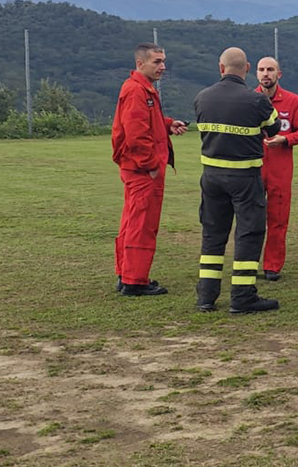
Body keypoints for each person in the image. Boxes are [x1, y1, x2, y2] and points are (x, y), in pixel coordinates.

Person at [193, 47, 282, 315]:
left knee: (213, 233)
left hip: (211, 177)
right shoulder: (255, 101)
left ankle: (206, 295)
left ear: (221, 68)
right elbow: (274, 128)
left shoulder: (202, 98)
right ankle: (243, 296)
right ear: (247, 69)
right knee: (249, 232)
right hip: (245, 177)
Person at [111, 43, 188, 296]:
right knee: (142, 224)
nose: (162, 66)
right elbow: (135, 134)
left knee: (132, 220)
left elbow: (146, 122)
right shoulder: (136, 91)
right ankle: (135, 280)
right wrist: (152, 166)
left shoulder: (143, 89)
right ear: (140, 63)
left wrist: (167, 124)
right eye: (157, 61)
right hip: (142, 171)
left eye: (163, 61)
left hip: (138, 169)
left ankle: (126, 274)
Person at [255, 56, 298, 281]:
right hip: (254, 168)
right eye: (261, 70)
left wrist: (285, 139)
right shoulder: (248, 100)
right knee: (251, 219)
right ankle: (248, 262)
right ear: (256, 74)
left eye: (270, 70)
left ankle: (272, 266)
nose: (265, 74)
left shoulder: (293, 101)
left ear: (279, 74)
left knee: (278, 218)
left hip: (280, 170)